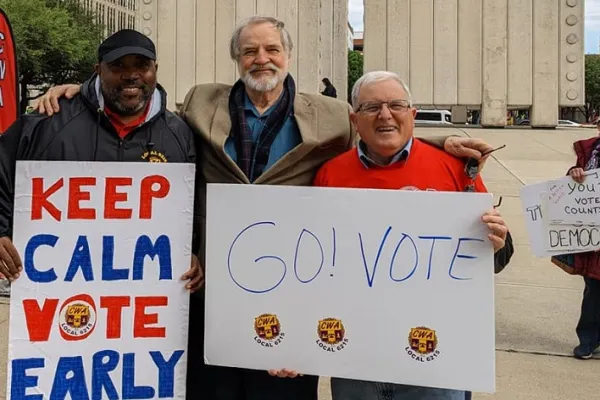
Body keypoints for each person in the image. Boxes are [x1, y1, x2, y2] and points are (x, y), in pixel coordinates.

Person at [32, 16, 500, 400]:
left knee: (284, 390)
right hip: (214, 280)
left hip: (292, 279)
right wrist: (79, 92)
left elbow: (385, 129)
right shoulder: (201, 102)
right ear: (237, 60)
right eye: (250, 51)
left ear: (288, 56)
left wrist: (446, 142)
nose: (262, 59)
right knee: (209, 388)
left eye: (272, 50)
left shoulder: (332, 115)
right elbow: (135, 99)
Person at [313, 71, 514, 400]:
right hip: (358, 355)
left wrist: (497, 242)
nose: (385, 114)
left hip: (435, 357)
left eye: (396, 105)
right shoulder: (330, 173)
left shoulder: (453, 168)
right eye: (372, 107)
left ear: (413, 115)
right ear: (354, 119)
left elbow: (495, 258)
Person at [0, 29, 203, 292]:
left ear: (155, 69)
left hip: (141, 292)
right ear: (98, 70)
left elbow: (193, 202)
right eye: (118, 65)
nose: (131, 75)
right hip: (57, 287)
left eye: (142, 65)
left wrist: (193, 250)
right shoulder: (49, 121)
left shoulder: (179, 134)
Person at [559, 136, 600, 360]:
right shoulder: (590, 150)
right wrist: (573, 172)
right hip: (592, 234)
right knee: (594, 289)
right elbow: (572, 187)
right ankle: (588, 341)